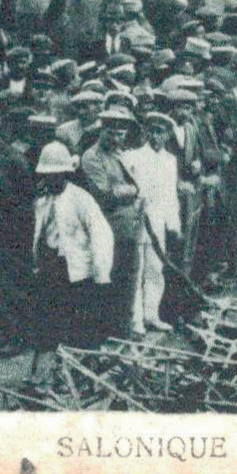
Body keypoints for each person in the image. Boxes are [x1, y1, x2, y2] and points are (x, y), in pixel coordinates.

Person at [31, 141, 114, 364]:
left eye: (56, 175)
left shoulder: (81, 199)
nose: (50, 180)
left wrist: (101, 271)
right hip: (51, 267)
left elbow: (101, 234)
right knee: (50, 320)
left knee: (84, 321)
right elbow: (38, 235)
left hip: (78, 269)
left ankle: (87, 366)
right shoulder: (42, 201)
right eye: (47, 175)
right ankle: (49, 370)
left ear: (66, 173)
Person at [79, 109, 144, 334]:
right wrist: (133, 190)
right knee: (108, 276)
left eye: (120, 133)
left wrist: (130, 190)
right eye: (111, 132)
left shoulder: (121, 154)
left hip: (129, 224)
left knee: (129, 277)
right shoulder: (91, 156)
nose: (116, 138)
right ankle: (106, 330)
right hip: (107, 224)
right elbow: (105, 193)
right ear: (102, 130)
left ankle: (123, 327)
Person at [124, 113, 182, 334]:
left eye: (161, 132)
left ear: (168, 135)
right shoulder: (133, 157)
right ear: (147, 132)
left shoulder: (170, 160)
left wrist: (174, 225)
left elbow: (171, 195)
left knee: (156, 269)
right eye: (153, 131)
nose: (156, 136)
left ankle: (151, 315)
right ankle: (135, 320)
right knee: (136, 270)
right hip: (138, 221)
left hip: (158, 223)